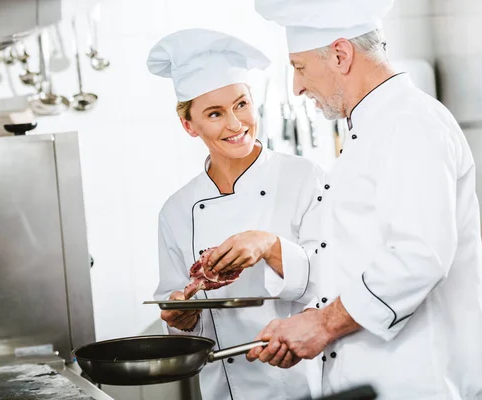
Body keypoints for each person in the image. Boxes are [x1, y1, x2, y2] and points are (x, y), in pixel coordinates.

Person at [238, 1, 482, 399]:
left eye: (298, 67)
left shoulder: (409, 124)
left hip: (418, 383)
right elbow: (350, 259)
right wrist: (305, 319)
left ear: (340, 55)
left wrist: (323, 325)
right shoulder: (369, 131)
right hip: (372, 381)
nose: (296, 87)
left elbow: (419, 254)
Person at [147, 28, 325, 400]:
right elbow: (177, 317)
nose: (235, 124)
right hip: (222, 389)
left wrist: (268, 245)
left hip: (299, 382)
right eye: (215, 113)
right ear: (189, 125)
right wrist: (181, 318)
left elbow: (330, 288)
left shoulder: (303, 178)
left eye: (241, 104)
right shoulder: (176, 211)